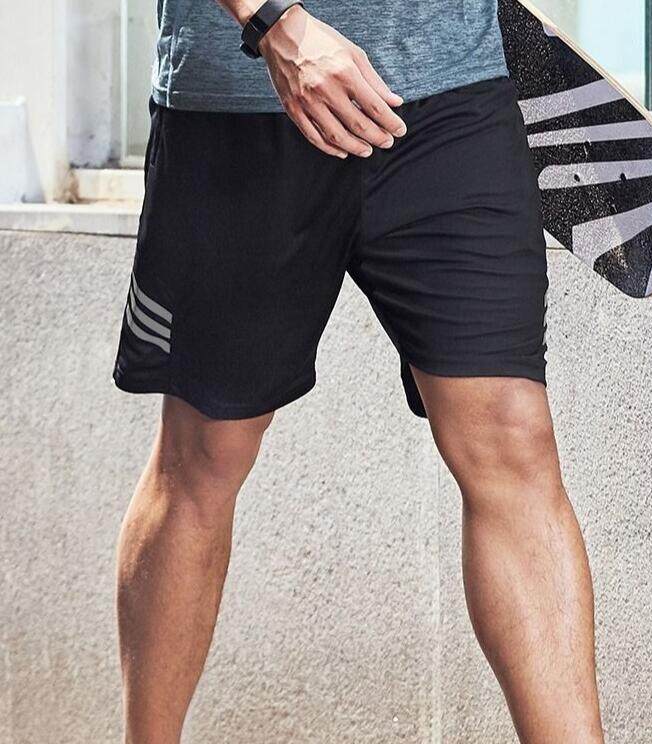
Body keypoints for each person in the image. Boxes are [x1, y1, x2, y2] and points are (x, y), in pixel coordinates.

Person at [112, 0, 605, 741]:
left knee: (512, 437)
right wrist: (272, 23)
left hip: (451, 99)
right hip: (241, 105)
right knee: (205, 452)